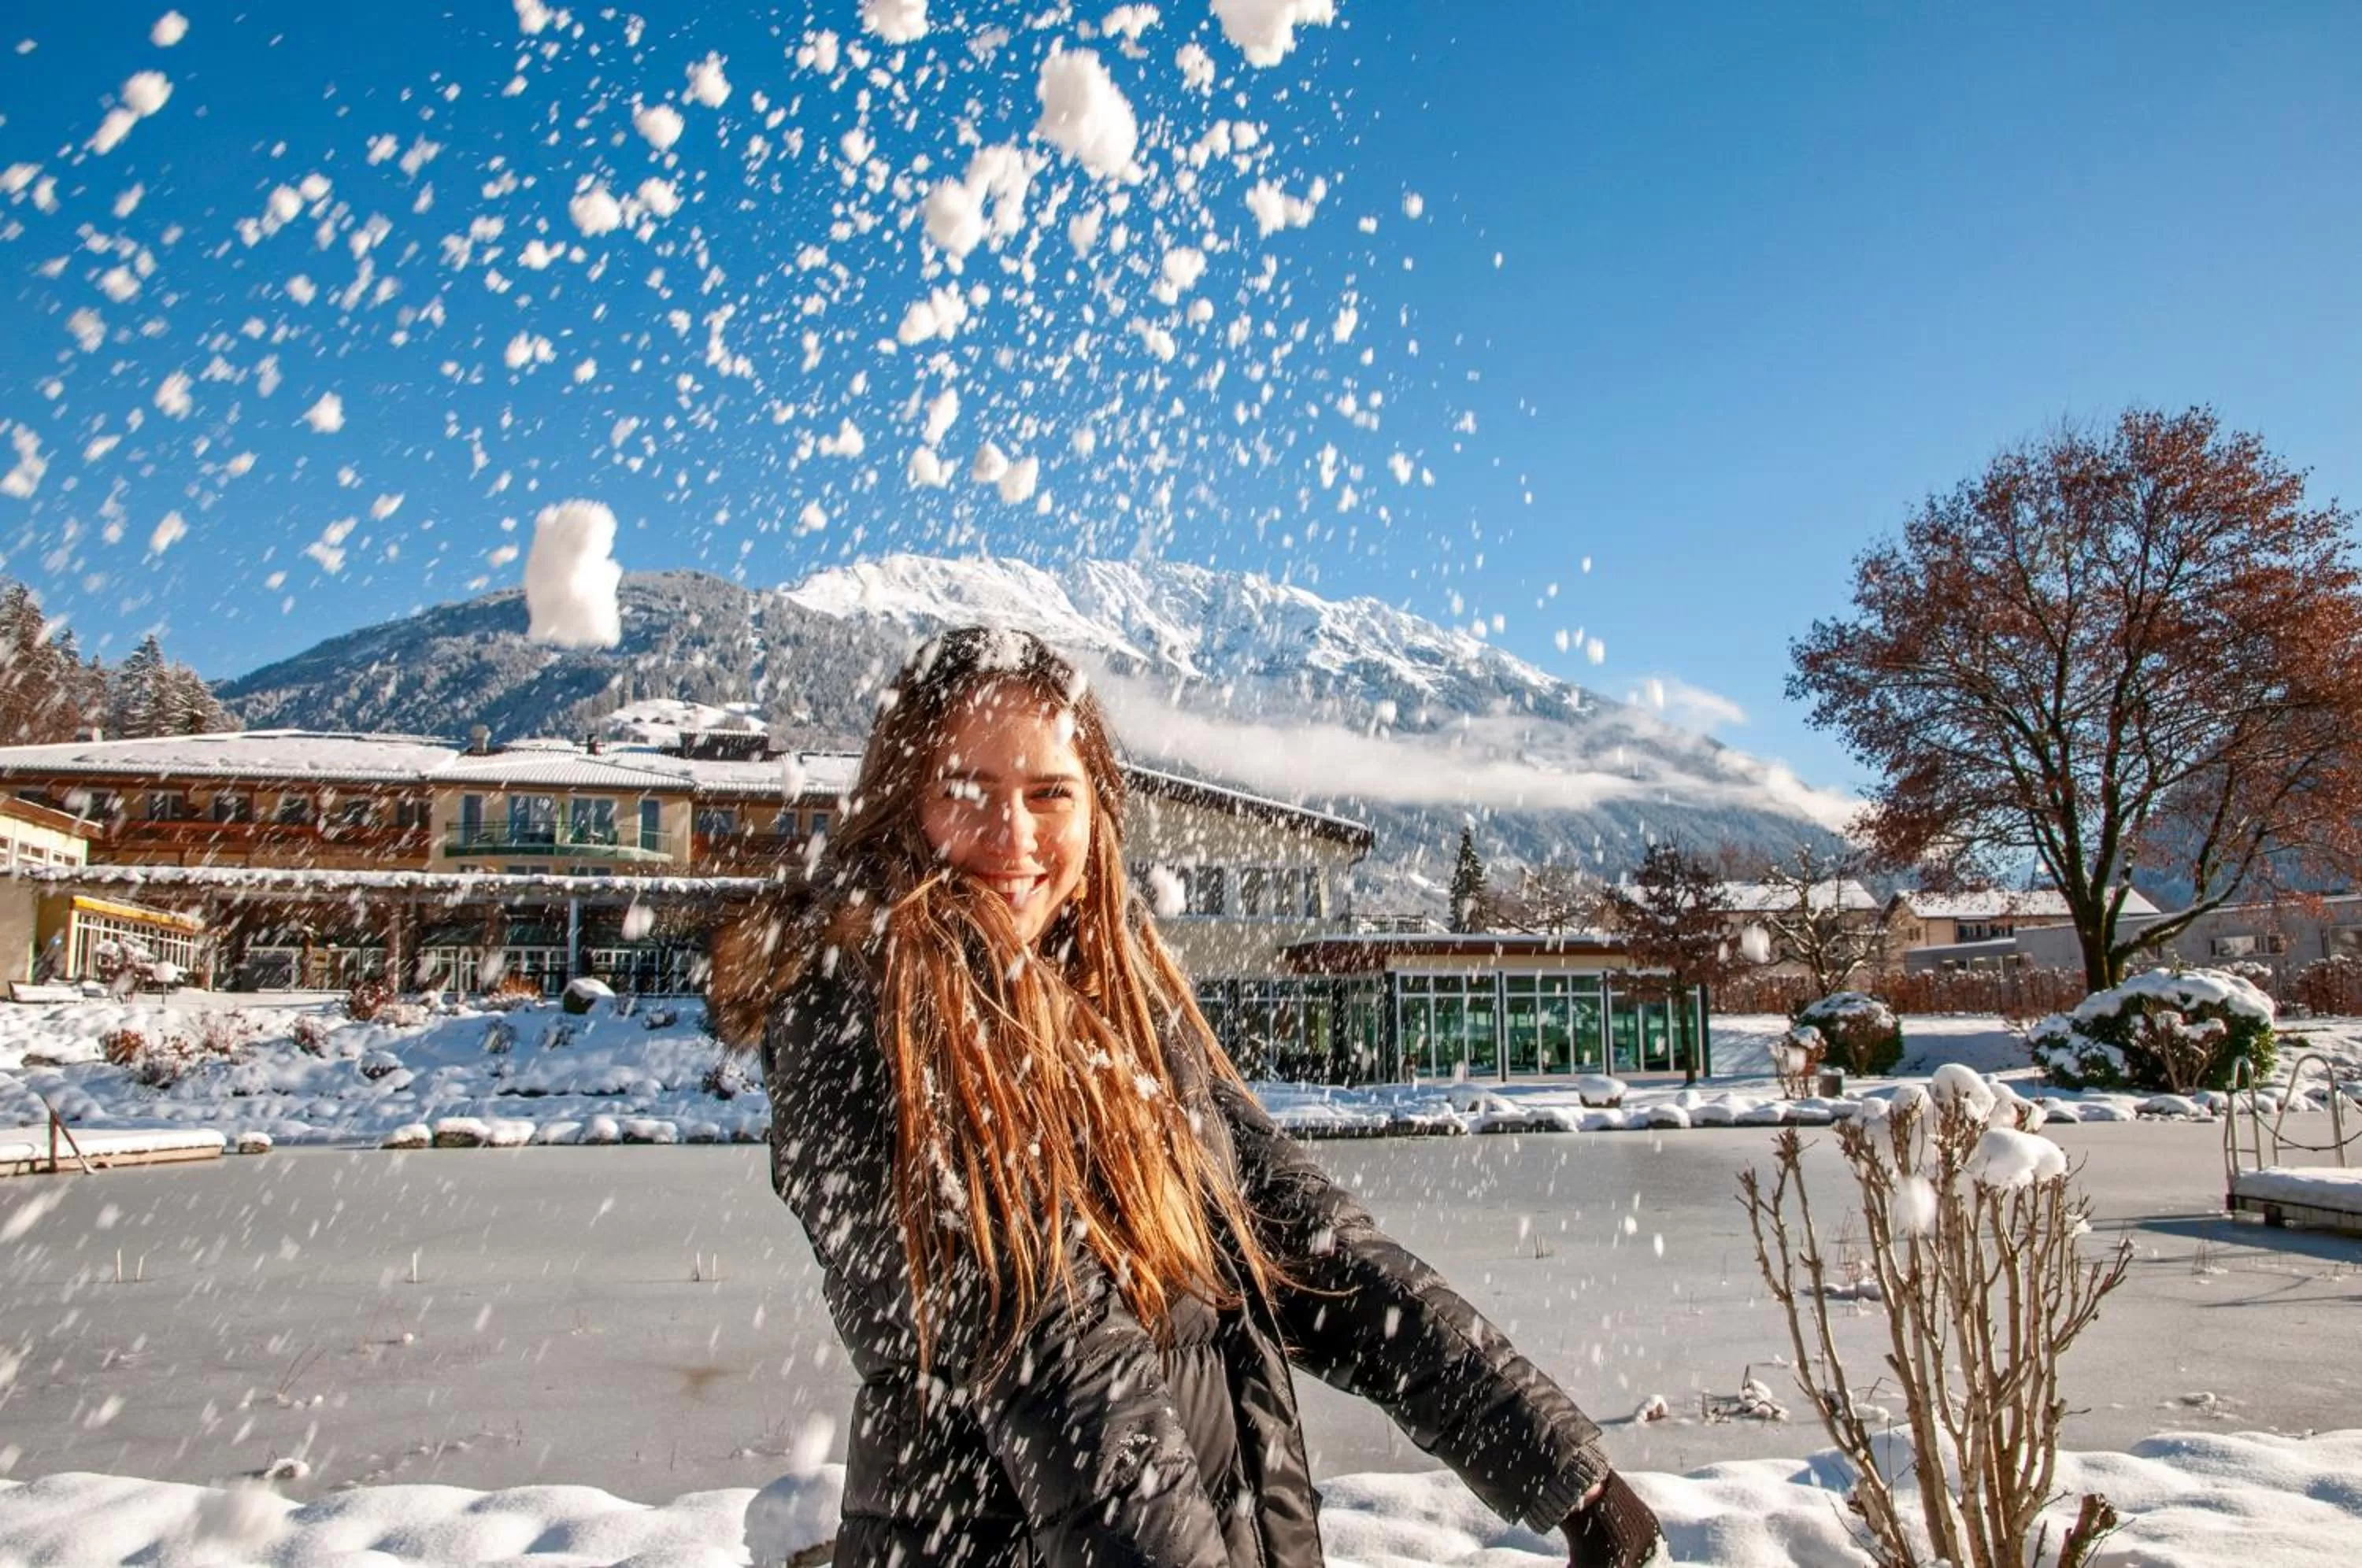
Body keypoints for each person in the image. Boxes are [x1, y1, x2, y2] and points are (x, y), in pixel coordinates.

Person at [712, 626, 1667, 1568]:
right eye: (969, 791)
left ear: (1098, 809)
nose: (1015, 837)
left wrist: (1557, 1466)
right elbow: (1049, 1347)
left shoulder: (1120, 1003)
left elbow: (1305, 1243)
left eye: (1050, 793)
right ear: (904, 803)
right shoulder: (862, 1006)